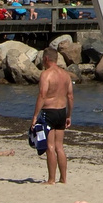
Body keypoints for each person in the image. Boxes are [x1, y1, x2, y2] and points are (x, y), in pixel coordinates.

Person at [32, 47, 73, 185]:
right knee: (59, 147)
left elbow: (42, 95)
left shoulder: (46, 75)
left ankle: (51, 179)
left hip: (49, 112)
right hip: (61, 111)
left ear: (46, 59)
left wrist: (35, 115)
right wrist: (69, 115)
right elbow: (70, 96)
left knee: (50, 146)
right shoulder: (66, 75)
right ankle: (64, 178)